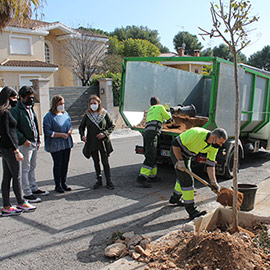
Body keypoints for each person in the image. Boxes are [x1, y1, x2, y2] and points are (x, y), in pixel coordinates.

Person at [169, 127, 227, 220]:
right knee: (188, 181)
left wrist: (213, 182)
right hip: (177, 152)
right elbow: (175, 144)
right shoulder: (196, 133)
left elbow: (210, 165)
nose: (220, 145)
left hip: (188, 155)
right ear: (214, 137)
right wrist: (180, 161)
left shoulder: (213, 147)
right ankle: (192, 211)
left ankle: (175, 198)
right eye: (220, 142)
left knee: (183, 177)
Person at [0, 86, 36, 216]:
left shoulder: (5, 112)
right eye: (14, 98)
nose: (15, 100)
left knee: (7, 177)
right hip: (9, 149)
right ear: (7, 98)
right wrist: (16, 150)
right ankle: (20, 202)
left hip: (6, 149)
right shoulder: (4, 113)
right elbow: (6, 133)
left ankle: (7, 205)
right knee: (16, 176)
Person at [10, 86, 49, 203]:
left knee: (32, 167)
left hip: (33, 142)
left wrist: (37, 140)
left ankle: (33, 187)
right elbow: (13, 128)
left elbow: (34, 125)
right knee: (25, 168)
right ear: (21, 97)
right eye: (29, 98)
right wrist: (23, 140)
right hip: (25, 144)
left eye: (32, 98)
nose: (31, 100)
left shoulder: (30, 108)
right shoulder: (15, 110)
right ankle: (26, 192)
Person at [79, 95, 115, 190]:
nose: (93, 105)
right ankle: (99, 180)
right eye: (91, 103)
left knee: (105, 162)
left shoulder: (104, 113)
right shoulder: (87, 115)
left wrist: (105, 133)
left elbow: (111, 126)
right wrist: (82, 135)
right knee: (96, 161)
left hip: (103, 142)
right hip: (92, 141)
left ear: (99, 103)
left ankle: (108, 180)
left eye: (95, 103)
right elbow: (81, 127)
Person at [136, 96, 171, 188]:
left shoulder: (151, 110)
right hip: (152, 134)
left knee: (152, 154)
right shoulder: (160, 107)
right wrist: (170, 116)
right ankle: (142, 177)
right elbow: (168, 117)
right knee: (151, 155)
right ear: (158, 102)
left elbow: (158, 119)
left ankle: (152, 176)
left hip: (146, 133)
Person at [43, 95, 73, 193]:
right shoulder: (49, 116)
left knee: (65, 163)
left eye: (63, 104)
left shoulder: (65, 114)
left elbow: (70, 125)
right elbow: (47, 131)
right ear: (55, 104)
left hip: (66, 143)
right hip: (56, 145)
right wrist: (60, 135)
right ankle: (58, 184)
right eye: (60, 104)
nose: (62, 106)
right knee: (58, 164)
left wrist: (69, 131)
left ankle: (64, 182)